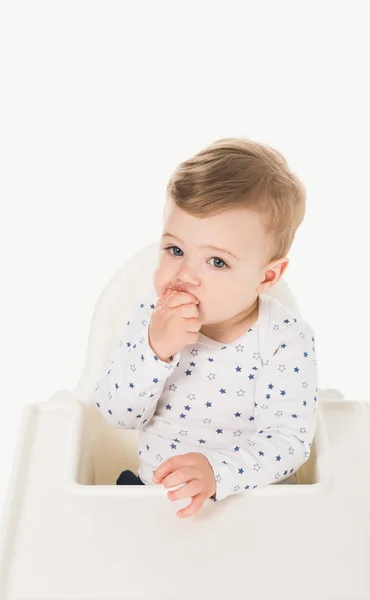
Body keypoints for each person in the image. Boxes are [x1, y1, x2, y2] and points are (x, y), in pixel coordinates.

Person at [94, 137, 319, 518]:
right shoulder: (152, 315)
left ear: (267, 276)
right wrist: (155, 349)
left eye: (216, 262)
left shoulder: (283, 338)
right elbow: (117, 415)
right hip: (155, 500)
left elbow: (289, 441)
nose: (185, 275)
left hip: (250, 506)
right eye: (176, 250)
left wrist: (218, 474)